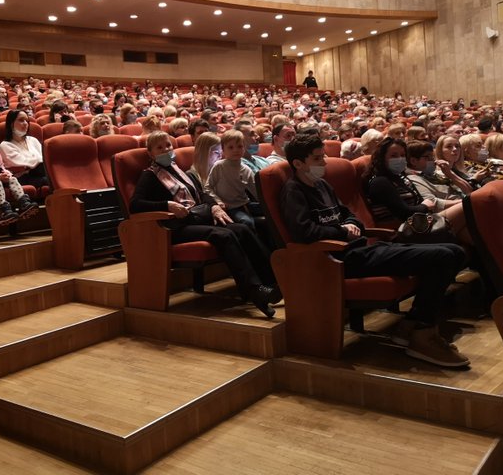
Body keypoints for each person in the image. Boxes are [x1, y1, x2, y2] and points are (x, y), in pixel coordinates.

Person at [280, 133, 469, 367]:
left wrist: (351, 225)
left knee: (455, 251)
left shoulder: (322, 184)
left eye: (323, 157)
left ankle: (413, 324)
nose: (324, 163)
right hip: (340, 259)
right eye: (318, 159)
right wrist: (342, 232)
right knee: (443, 256)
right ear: (298, 163)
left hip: (362, 250)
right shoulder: (294, 191)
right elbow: (303, 232)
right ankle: (422, 334)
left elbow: (348, 214)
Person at [129, 131, 281, 317]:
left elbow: (202, 194)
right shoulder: (150, 176)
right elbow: (135, 205)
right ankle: (255, 290)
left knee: (240, 228)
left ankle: (273, 280)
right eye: (159, 147)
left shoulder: (178, 171)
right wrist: (167, 205)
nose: (165, 149)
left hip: (195, 219)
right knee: (223, 235)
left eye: (167, 145)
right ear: (150, 153)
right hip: (173, 228)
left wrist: (215, 207)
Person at [205, 130, 261, 228]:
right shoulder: (219, 166)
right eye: (230, 147)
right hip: (230, 207)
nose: (236, 150)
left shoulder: (246, 169)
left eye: (239, 146)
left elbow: (256, 191)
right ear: (223, 149)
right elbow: (208, 188)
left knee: (273, 212)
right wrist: (218, 201)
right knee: (246, 221)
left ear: (244, 148)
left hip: (245, 203)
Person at [0, 110, 48, 190]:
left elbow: (44, 158)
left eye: (27, 121)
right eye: (21, 120)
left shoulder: (33, 140)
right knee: (53, 180)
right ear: (11, 124)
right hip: (22, 178)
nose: (25, 123)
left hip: (41, 173)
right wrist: (39, 162)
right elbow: (23, 163)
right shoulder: (5, 145)